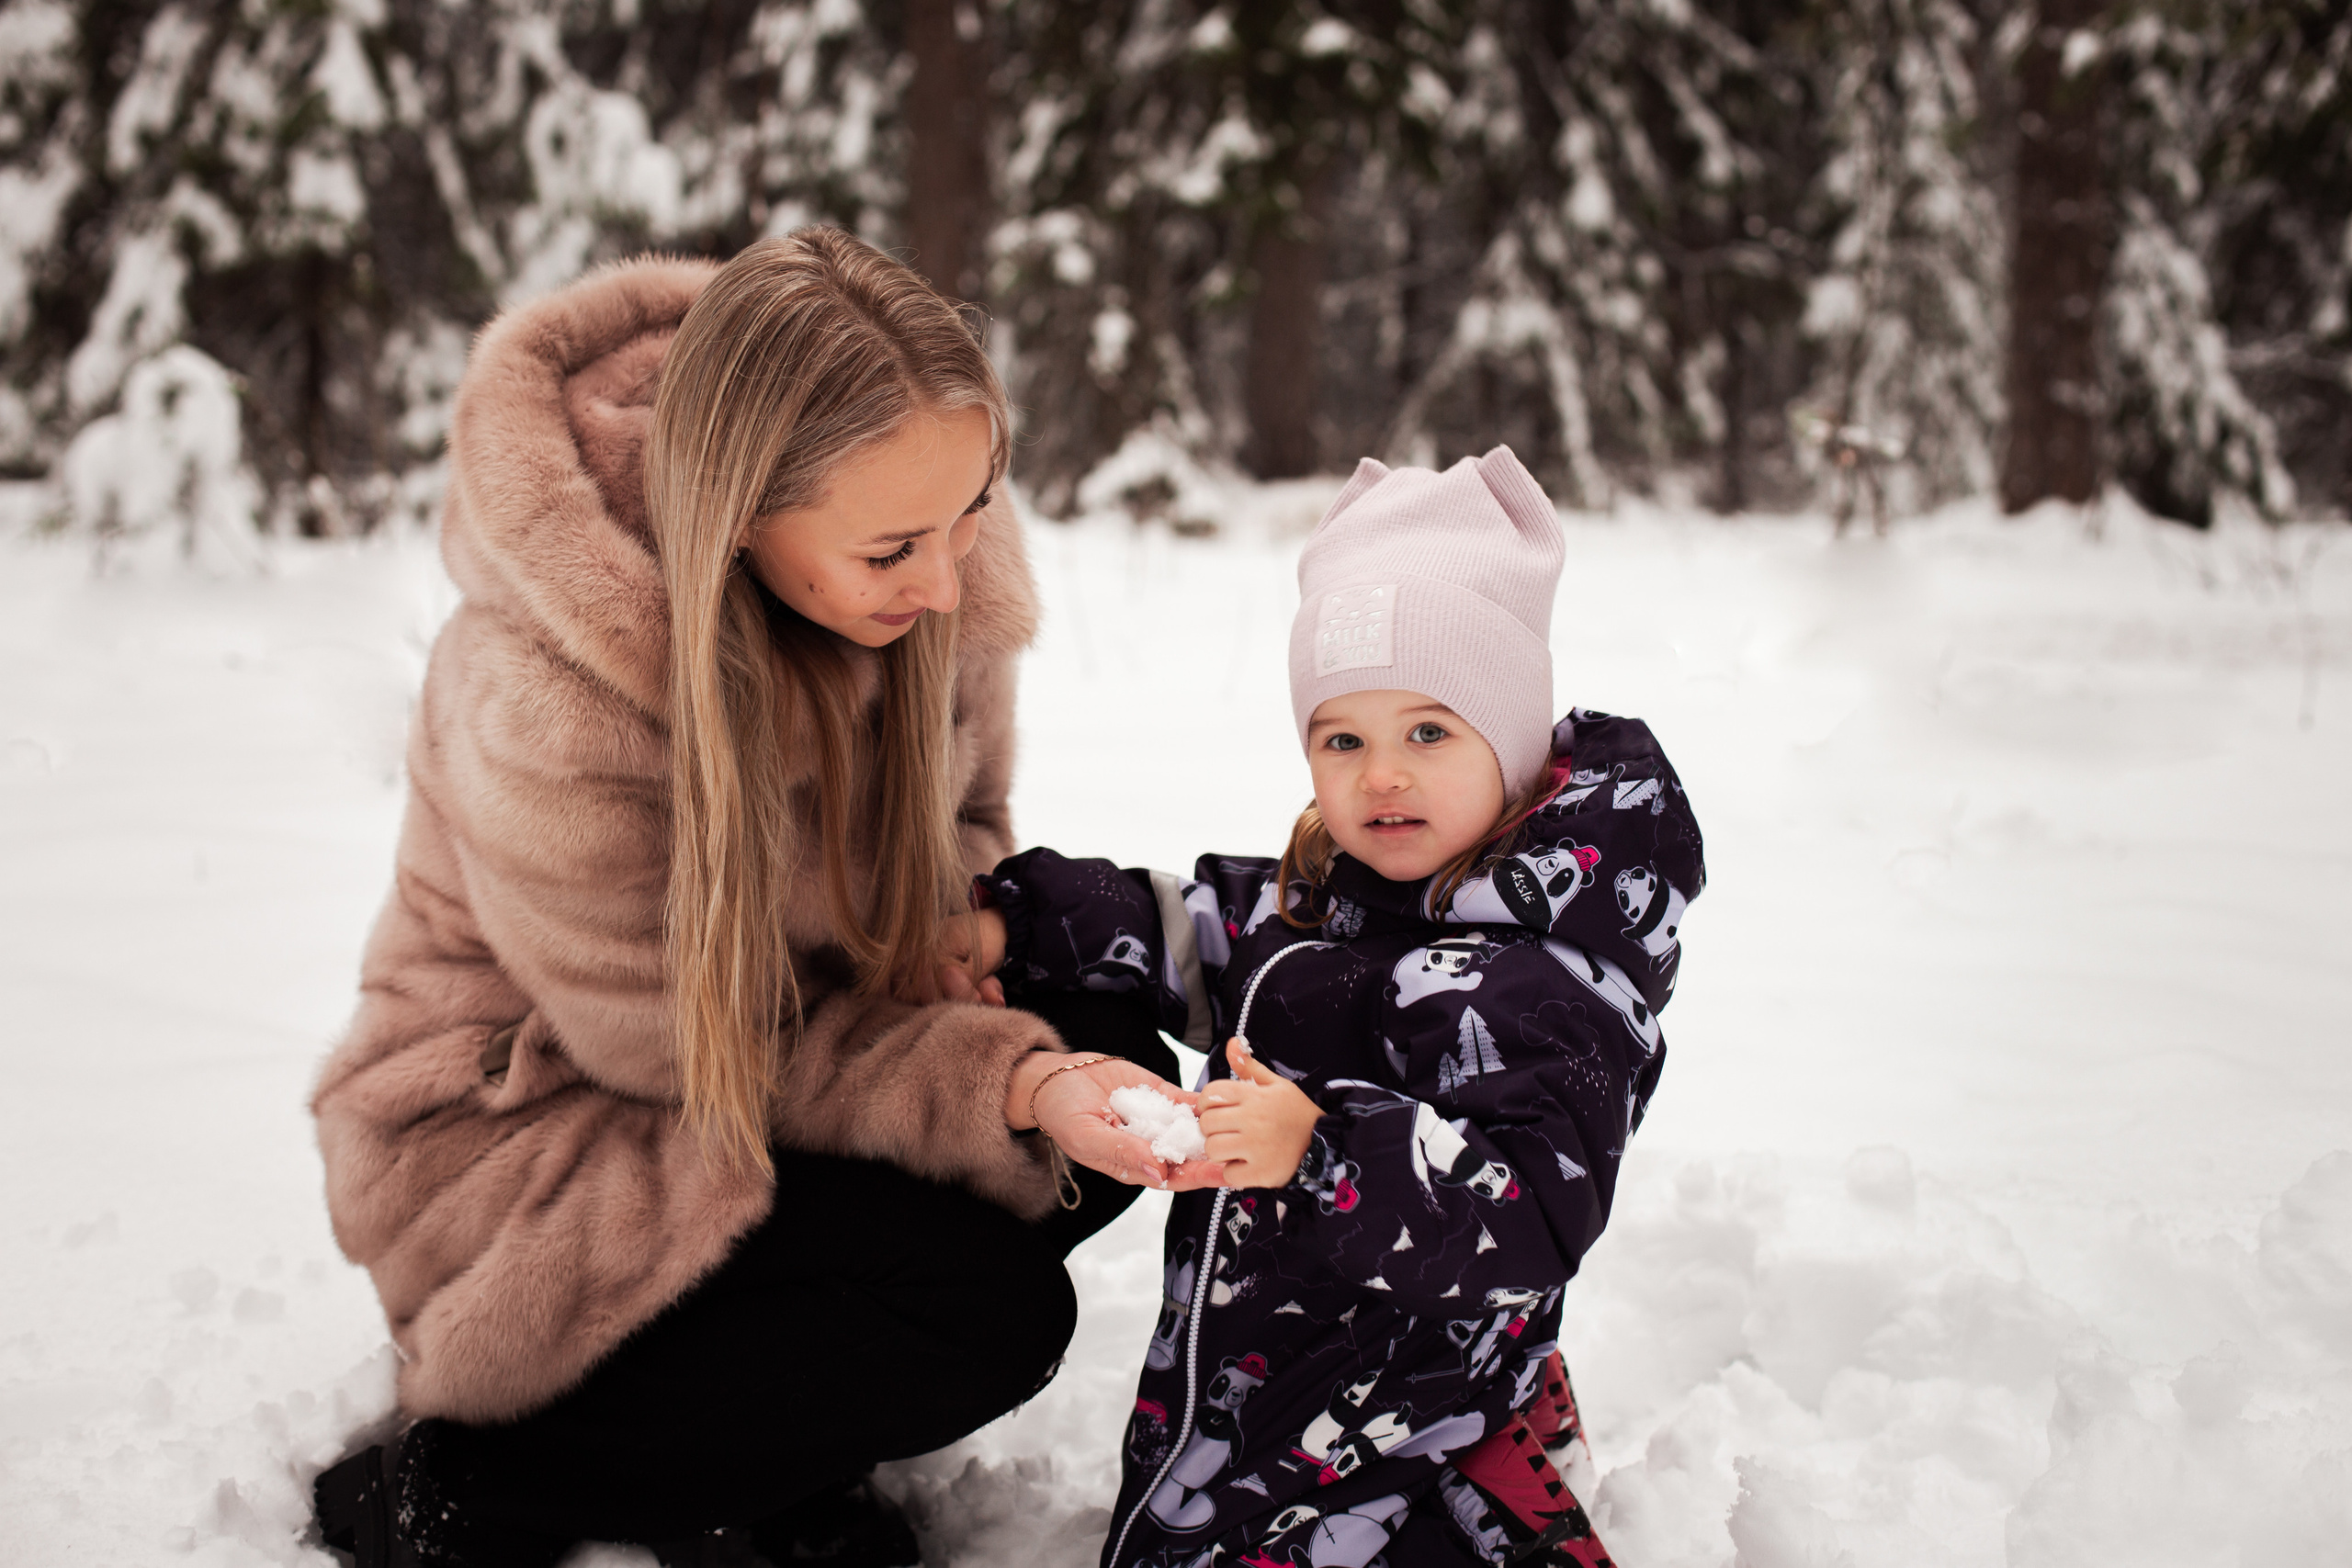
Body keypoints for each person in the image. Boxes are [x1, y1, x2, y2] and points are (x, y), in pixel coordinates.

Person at [308, 230, 1209, 1568]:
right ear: (739, 513)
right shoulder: (551, 699)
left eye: (973, 514)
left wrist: (966, 950)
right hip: (547, 1125)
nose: (951, 578)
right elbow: (690, 1051)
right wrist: (1004, 1082)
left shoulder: (914, 546)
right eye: (898, 544)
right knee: (988, 1304)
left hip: (789, 1046)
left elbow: (963, 829)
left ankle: (768, 1442)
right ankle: (475, 1483)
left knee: (1112, 1042)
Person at [951, 447, 1706, 1566]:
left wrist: (1322, 1153)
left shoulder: (1554, 982)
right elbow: (1197, 930)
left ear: (1510, 738)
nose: (1381, 777)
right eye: (1342, 739)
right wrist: (1021, 920)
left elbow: (1533, 1221)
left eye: (1429, 733)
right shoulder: (1337, 896)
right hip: (1252, 1399)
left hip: (1394, 1439)